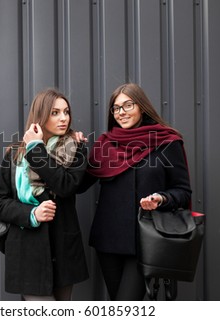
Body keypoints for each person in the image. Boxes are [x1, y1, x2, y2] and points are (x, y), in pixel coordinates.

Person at [78, 83, 192, 300]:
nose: (121, 112)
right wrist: (74, 150)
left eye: (128, 105)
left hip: (145, 241)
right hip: (108, 241)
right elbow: (79, 185)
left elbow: (183, 191)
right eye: (116, 108)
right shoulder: (106, 145)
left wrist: (162, 198)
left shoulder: (167, 142)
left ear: (142, 107)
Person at [0, 88, 89, 300]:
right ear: (40, 116)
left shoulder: (77, 148)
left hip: (62, 251)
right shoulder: (16, 152)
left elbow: (66, 185)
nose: (64, 118)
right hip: (27, 251)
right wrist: (31, 214)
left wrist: (36, 148)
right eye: (55, 113)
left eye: (66, 111)